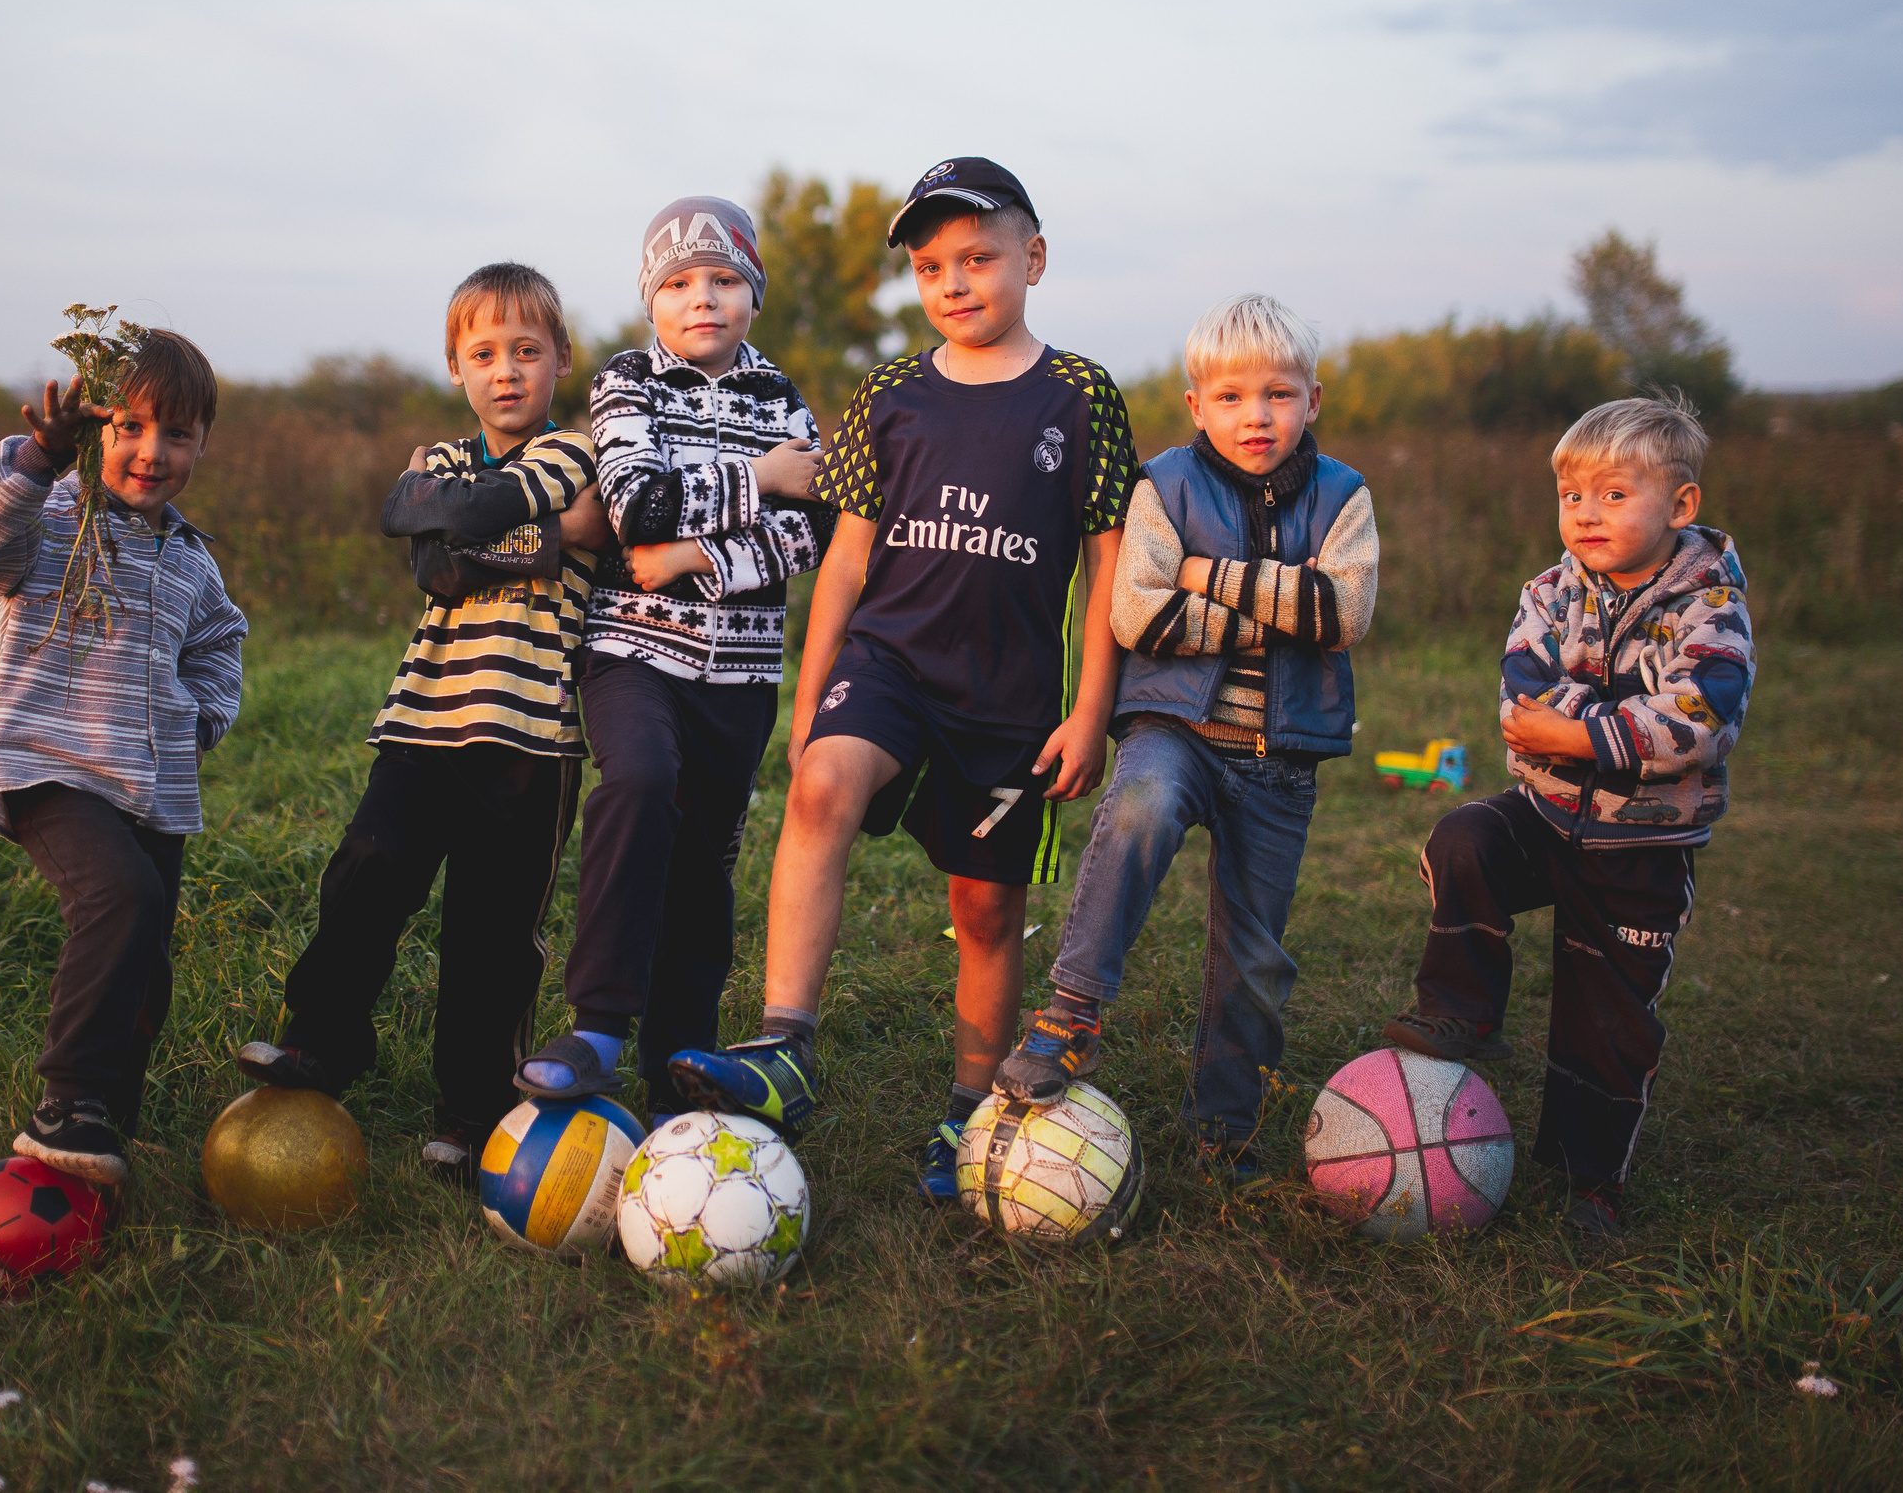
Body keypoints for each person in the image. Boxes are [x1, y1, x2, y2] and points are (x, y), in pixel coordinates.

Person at [670, 157, 1137, 1201]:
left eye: (978, 258)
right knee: (822, 785)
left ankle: (972, 1107)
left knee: (985, 910)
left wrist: (1091, 710)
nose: (954, 282)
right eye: (931, 267)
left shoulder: (1081, 396)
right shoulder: (890, 394)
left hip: (1010, 697)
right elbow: (845, 558)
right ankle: (785, 1044)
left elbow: (1108, 563)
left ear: (1033, 259)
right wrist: (810, 696)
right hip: (889, 661)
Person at [233, 262, 609, 1175]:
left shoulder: (578, 453)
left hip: (531, 736)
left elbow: (453, 532)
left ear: (561, 357)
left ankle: (474, 1109)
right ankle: (324, 1040)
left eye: (527, 351)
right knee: (368, 867)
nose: (506, 370)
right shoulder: (442, 460)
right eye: (484, 354)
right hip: (423, 721)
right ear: (455, 367)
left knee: (492, 932)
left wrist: (459, 524)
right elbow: (430, 561)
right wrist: (556, 537)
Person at [994, 294, 1379, 1181]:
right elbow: (1139, 615)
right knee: (1140, 804)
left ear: (1313, 400)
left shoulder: (1343, 495)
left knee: (1255, 955)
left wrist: (1208, 577)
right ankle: (1071, 1012)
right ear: (1198, 405)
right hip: (1176, 728)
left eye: (1279, 394)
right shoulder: (1163, 485)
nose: (1257, 416)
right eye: (1233, 397)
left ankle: (1224, 1130)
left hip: (1281, 760)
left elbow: (1344, 610)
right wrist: (1280, 610)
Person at [1381, 393, 1752, 1239]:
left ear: (1681, 504)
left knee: (1607, 1019)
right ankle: (1463, 1007)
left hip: (1643, 844)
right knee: (1465, 837)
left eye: (1615, 494)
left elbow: (1698, 719)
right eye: (1572, 494)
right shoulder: (1550, 592)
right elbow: (1522, 695)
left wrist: (1576, 730)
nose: (1587, 513)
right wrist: (1602, 723)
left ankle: (1593, 1183)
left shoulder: (1709, 608)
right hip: (1545, 816)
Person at [511, 198, 832, 1123]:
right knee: (642, 780)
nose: (704, 299)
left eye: (725, 280)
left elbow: (812, 530)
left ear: (754, 294)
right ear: (651, 299)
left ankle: (677, 1075)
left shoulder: (781, 398)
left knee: (704, 863)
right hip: (633, 651)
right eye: (680, 283)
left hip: (742, 674)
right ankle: (599, 1025)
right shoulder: (628, 382)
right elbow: (634, 507)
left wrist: (695, 555)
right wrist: (760, 477)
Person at [0, 327, 246, 1186]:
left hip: (156, 788)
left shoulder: (189, 557)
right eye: (130, 426)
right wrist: (38, 457)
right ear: (94, 427)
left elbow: (220, 642)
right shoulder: (49, 517)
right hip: (52, 768)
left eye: (177, 434)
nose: (152, 452)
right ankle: (66, 1100)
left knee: (147, 962)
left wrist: (200, 720)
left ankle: (108, 1119)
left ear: (202, 444)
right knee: (120, 897)